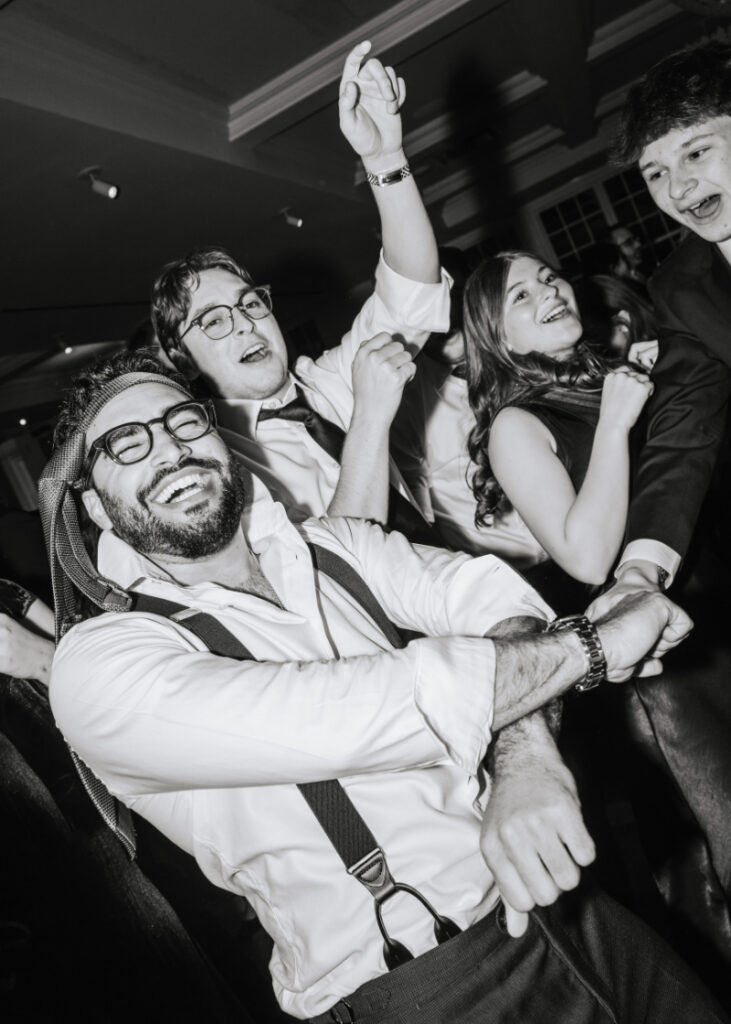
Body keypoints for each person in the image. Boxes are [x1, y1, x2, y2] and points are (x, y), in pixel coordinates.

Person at [37, 350, 728, 1023]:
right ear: (95, 507)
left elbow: (500, 604)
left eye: (183, 422)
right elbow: (352, 714)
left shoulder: (334, 548)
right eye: (126, 443)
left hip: (574, 908)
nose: (169, 449)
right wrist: (592, 645)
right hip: (433, 986)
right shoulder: (99, 667)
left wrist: (524, 758)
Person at [152, 41, 449, 541]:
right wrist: (371, 420)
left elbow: (414, 288)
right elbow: (336, 572)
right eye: (214, 319)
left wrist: (384, 156)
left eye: (249, 303)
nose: (245, 321)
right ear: (183, 359)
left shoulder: (327, 381)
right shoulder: (217, 465)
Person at [462, 251, 653, 602]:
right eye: (521, 294)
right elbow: (588, 561)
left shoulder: (611, 376)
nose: (549, 291)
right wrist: (614, 425)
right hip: (654, 603)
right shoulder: (516, 425)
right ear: (500, 338)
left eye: (549, 277)